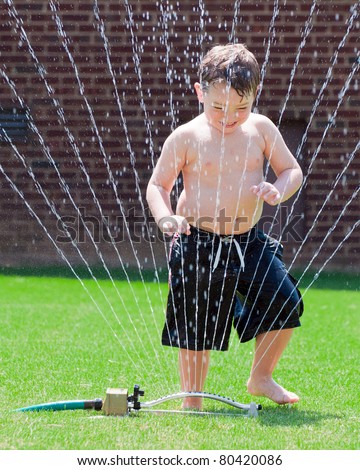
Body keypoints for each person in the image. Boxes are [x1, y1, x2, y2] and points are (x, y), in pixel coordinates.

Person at [146, 43, 304, 409]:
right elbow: (158, 185)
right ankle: (193, 397)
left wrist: (278, 190)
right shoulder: (187, 136)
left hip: (248, 241)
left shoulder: (261, 129)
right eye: (218, 107)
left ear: (255, 96)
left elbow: (291, 169)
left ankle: (260, 377)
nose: (228, 117)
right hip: (196, 239)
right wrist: (166, 218)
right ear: (200, 92)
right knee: (197, 321)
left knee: (285, 301)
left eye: (240, 108)